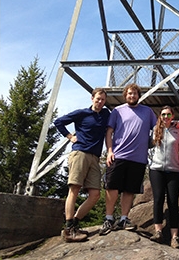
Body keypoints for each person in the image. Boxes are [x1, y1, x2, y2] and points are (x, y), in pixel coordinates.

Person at [99, 83, 158, 236]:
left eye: (135, 94)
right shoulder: (117, 111)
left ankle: (124, 218)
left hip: (138, 158)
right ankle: (109, 218)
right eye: (129, 94)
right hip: (118, 155)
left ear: (139, 95)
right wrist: (110, 151)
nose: (132, 96)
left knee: (129, 189)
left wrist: (172, 125)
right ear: (126, 95)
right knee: (112, 187)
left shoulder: (148, 112)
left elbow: (158, 127)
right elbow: (109, 132)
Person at [53, 87, 111, 242]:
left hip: (95, 157)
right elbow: (58, 122)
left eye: (103, 100)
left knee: (95, 194)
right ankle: (69, 228)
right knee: (74, 189)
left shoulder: (106, 114)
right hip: (80, 153)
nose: (100, 102)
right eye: (98, 99)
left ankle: (75, 223)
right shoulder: (82, 113)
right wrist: (70, 136)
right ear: (92, 98)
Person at [148, 105, 179, 249]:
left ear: (173, 116)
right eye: (163, 114)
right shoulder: (155, 130)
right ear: (160, 116)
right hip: (156, 169)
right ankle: (158, 232)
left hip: (173, 170)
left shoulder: (178, 130)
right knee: (158, 199)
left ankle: (174, 237)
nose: (166, 117)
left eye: (168, 114)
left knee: (173, 202)